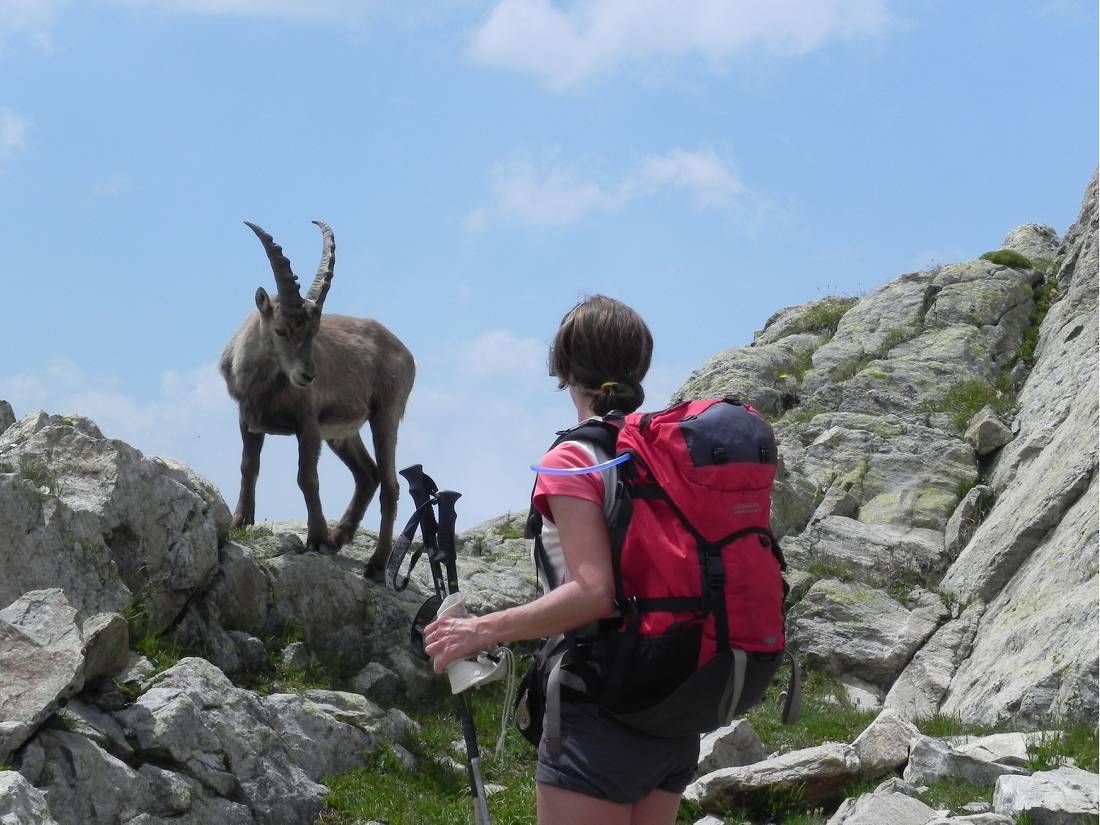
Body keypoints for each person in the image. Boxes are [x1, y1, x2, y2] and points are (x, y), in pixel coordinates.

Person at [423, 294, 698, 825]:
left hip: (601, 711)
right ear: (639, 364)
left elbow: (594, 593)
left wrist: (480, 630)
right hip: (675, 706)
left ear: (566, 368)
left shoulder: (573, 457)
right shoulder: (663, 452)